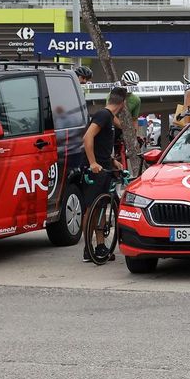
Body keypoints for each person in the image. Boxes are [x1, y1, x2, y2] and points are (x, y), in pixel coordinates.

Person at [79, 86, 129, 262]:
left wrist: (112, 159)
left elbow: (102, 142)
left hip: (105, 167)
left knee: (101, 208)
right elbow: (87, 137)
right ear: (122, 103)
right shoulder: (103, 115)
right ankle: (88, 248)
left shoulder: (109, 118)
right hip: (95, 170)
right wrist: (92, 162)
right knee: (91, 209)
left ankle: (100, 246)